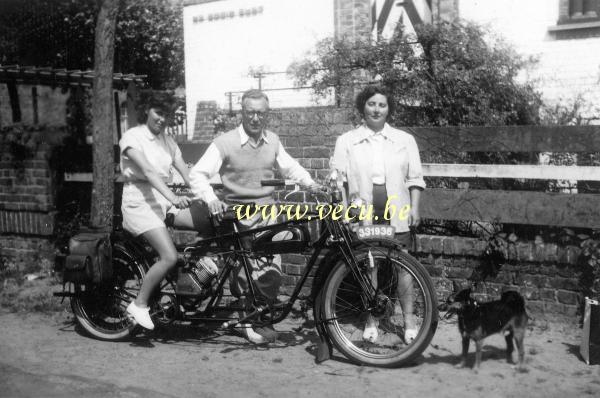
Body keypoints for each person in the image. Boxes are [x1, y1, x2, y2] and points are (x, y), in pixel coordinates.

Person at [189, 89, 319, 344]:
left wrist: (310, 184)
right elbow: (197, 174)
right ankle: (245, 321)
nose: (255, 118)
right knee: (247, 271)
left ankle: (257, 317)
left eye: (261, 113)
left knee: (272, 269)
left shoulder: (272, 140)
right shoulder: (224, 142)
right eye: (250, 112)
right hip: (238, 215)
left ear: (267, 114)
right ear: (242, 112)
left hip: (268, 212)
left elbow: (290, 166)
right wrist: (212, 199)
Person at [330, 85, 425, 344]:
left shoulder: (405, 140)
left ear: (389, 109)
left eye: (382, 105)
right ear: (363, 107)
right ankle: (371, 319)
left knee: (404, 267)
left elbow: (415, 179)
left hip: (397, 212)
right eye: (371, 104)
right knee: (370, 265)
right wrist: (346, 213)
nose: (376, 109)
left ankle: (409, 322)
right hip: (365, 214)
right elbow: (339, 183)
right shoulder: (346, 141)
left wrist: (415, 209)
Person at [120, 90, 192, 330]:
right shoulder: (133, 136)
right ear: (147, 112)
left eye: (166, 115)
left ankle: (189, 287)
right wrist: (173, 196)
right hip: (139, 202)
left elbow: (184, 170)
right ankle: (139, 304)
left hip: (163, 203)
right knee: (169, 256)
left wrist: (204, 192)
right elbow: (149, 172)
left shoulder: (167, 141)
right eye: (158, 113)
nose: (162, 119)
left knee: (209, 222)